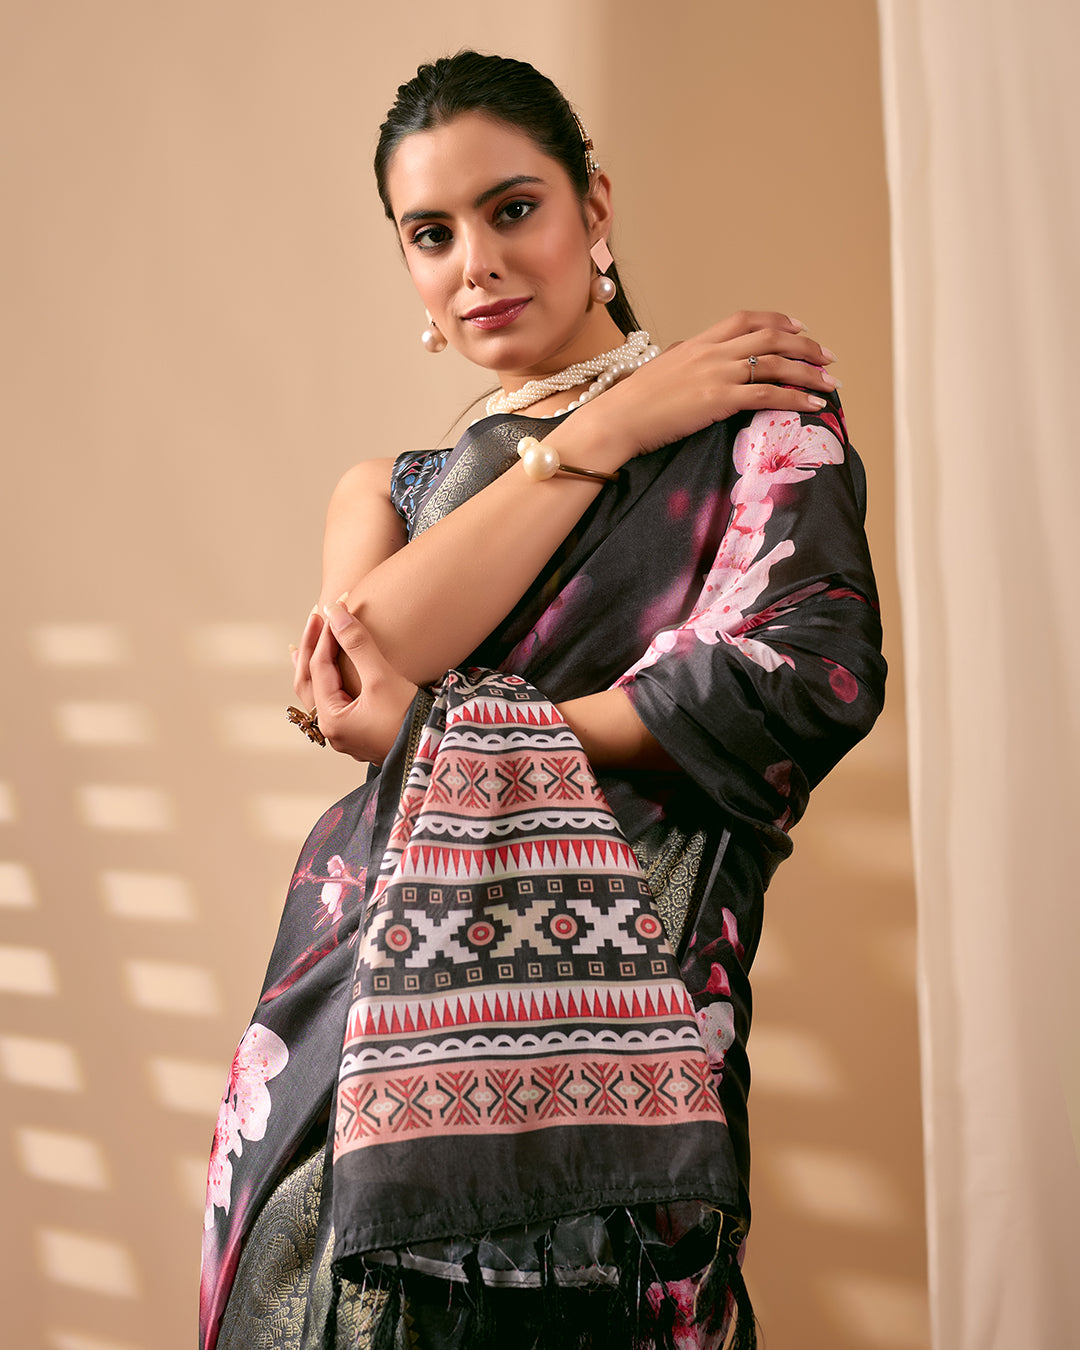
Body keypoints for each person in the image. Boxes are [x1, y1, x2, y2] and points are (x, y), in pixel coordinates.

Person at [200, 51, 886, 1350]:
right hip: (351, 1038)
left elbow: (809, 673)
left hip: (631, 1031)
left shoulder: (754, 425)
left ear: (595, 206)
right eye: (431, 233)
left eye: (513, 208)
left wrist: (455, 732)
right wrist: (599, 433)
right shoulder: (387, 492)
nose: (477, 262)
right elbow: (360, 666)